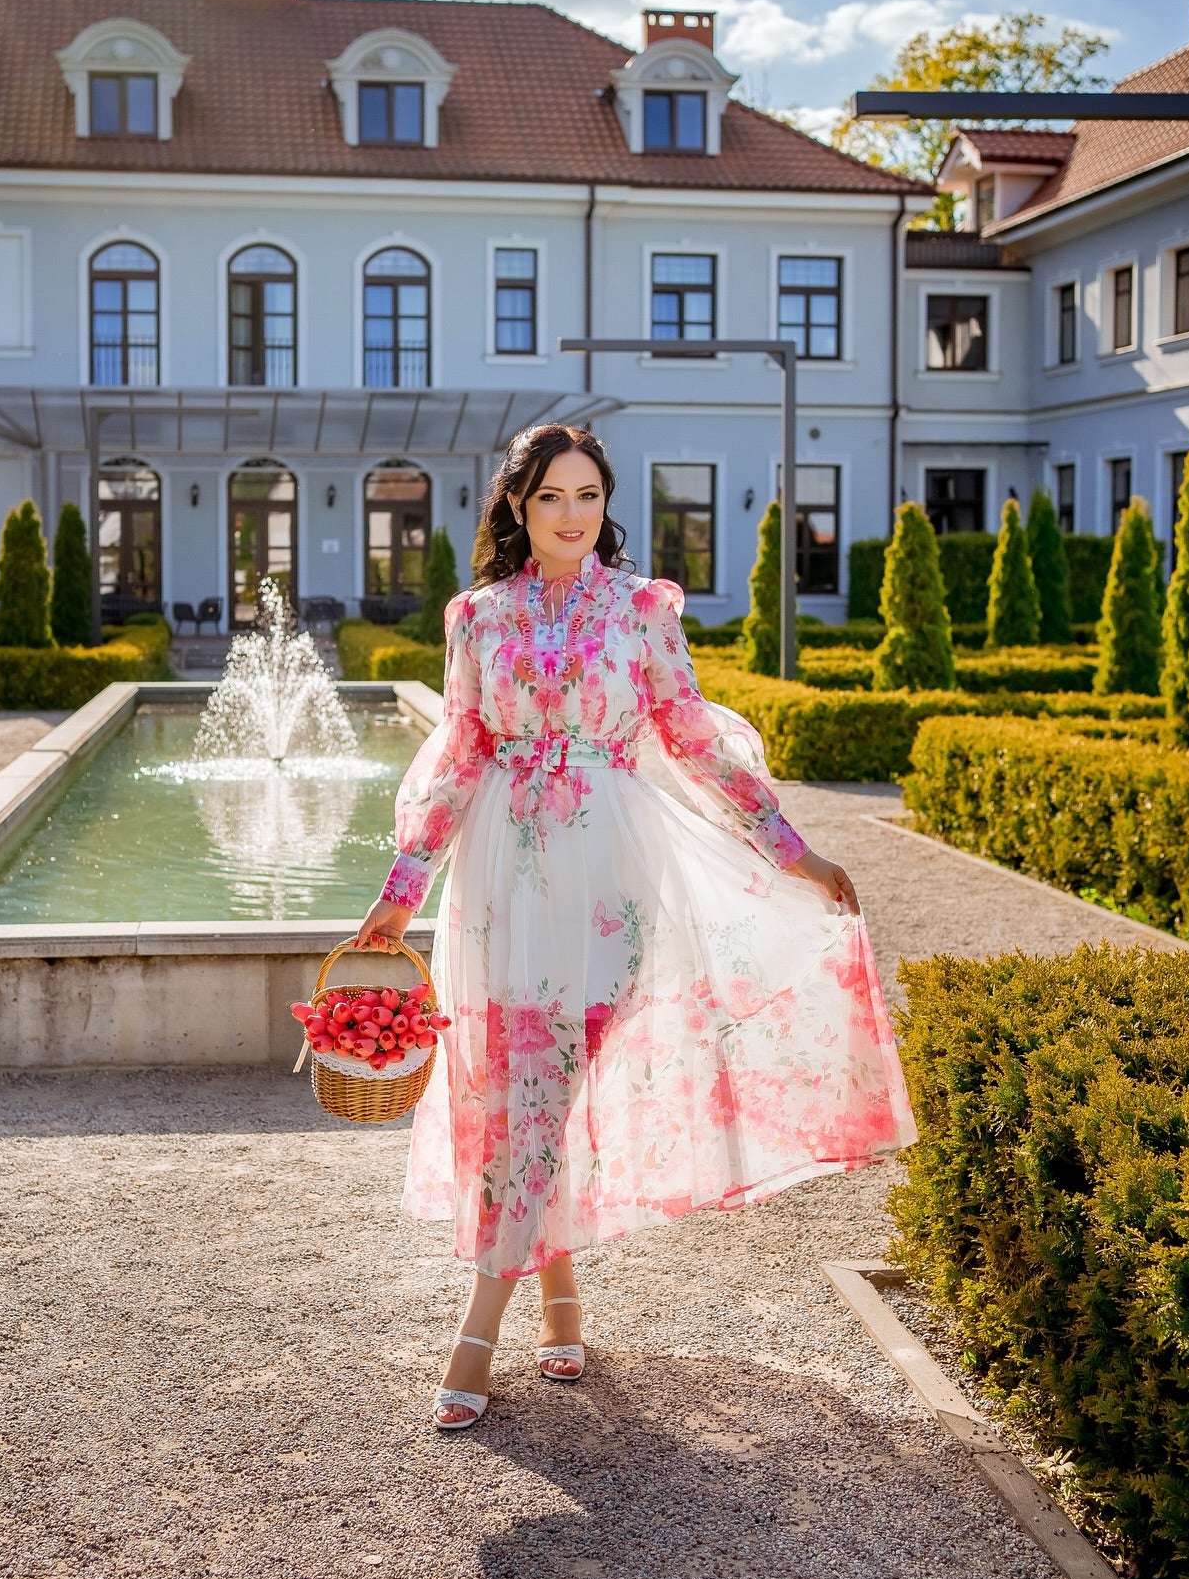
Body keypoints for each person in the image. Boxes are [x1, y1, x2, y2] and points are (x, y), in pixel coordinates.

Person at [355, 424, 916, 1430]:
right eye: (552, 497)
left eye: (588, 494)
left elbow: (693, 737)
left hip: (612, 878)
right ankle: (559, 1299)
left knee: (545, 1083)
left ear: (606, 502)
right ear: (517, 509)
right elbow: (459, 753)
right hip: (500, 875)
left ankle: (477, 1327)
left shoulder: (643, 613)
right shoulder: (478, 616)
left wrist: (794, 852)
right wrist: (401, 888)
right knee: (526, 1092)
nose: (573, 515)